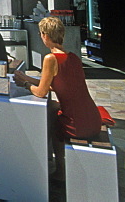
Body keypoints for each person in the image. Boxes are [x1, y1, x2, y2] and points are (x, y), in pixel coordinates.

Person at [13, 17, 102, 177]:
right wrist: (26, 78)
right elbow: (54, 83)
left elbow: (41, 92)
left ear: (46, 35)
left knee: (54, 122)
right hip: (92, 118)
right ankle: (58, 165)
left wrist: (24, 84)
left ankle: (60, 170)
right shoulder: (73, 57)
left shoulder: (50, 58)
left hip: (77, 123)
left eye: (41, 34)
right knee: (53, 108)